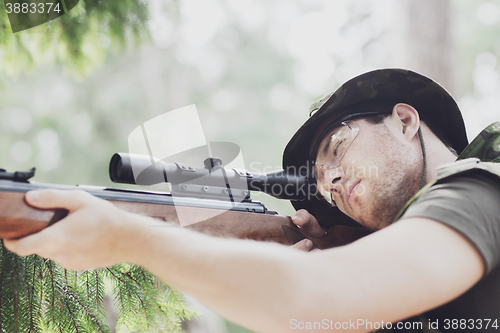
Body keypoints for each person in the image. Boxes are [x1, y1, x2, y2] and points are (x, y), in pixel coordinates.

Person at [4, 69, 500, 332]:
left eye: (337, 146)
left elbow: (315, 297)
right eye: (319, 179)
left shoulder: (480, 189)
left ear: (405, 120)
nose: (329, 180)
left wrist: (130, 238)